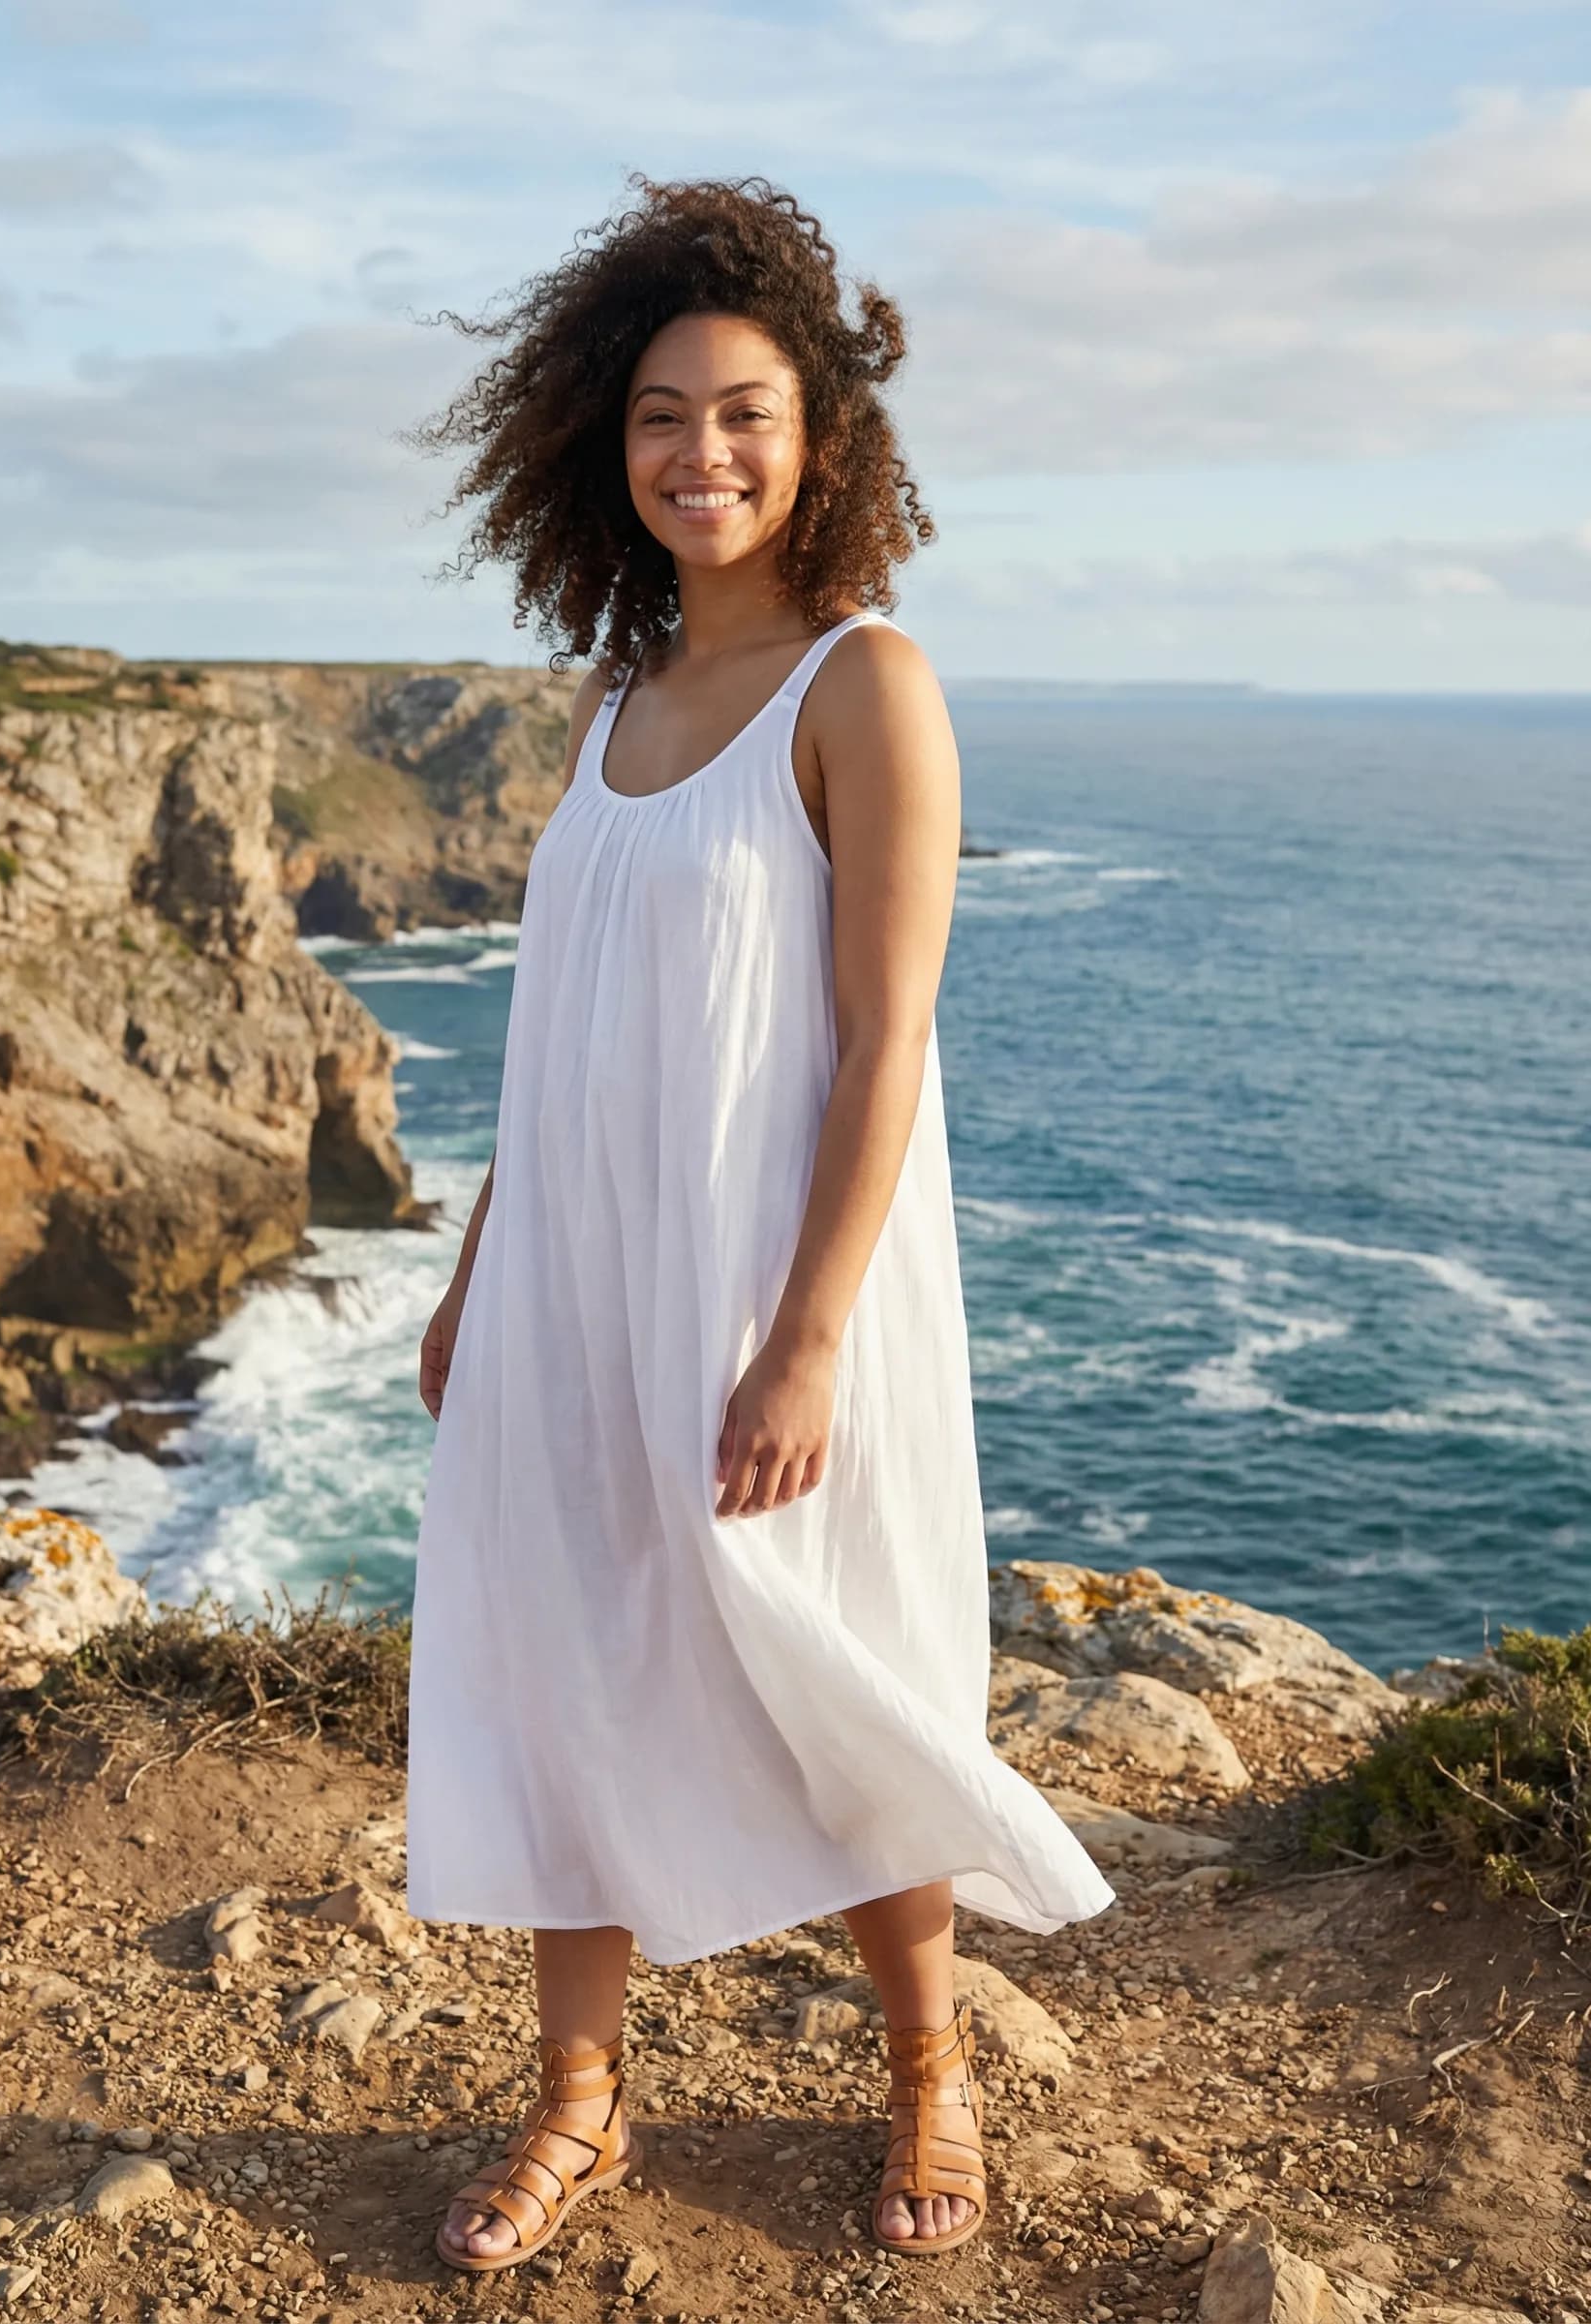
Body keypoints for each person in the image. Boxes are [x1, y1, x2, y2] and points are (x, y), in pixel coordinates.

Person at [402, 171, 1117, 2277]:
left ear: (820, 441)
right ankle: (576, 2105)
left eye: (739, 412)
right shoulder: (605, 704)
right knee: (555, 1658)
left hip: (772, 1289)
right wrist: (474, 1272)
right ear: (593, 445)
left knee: (836, 1662)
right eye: (653, 414)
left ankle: (926, 2071)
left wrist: (806, 1337)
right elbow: (561, 1040)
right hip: (572, 1273)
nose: (695, 452)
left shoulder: (863, 686)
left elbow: (885, 1042)